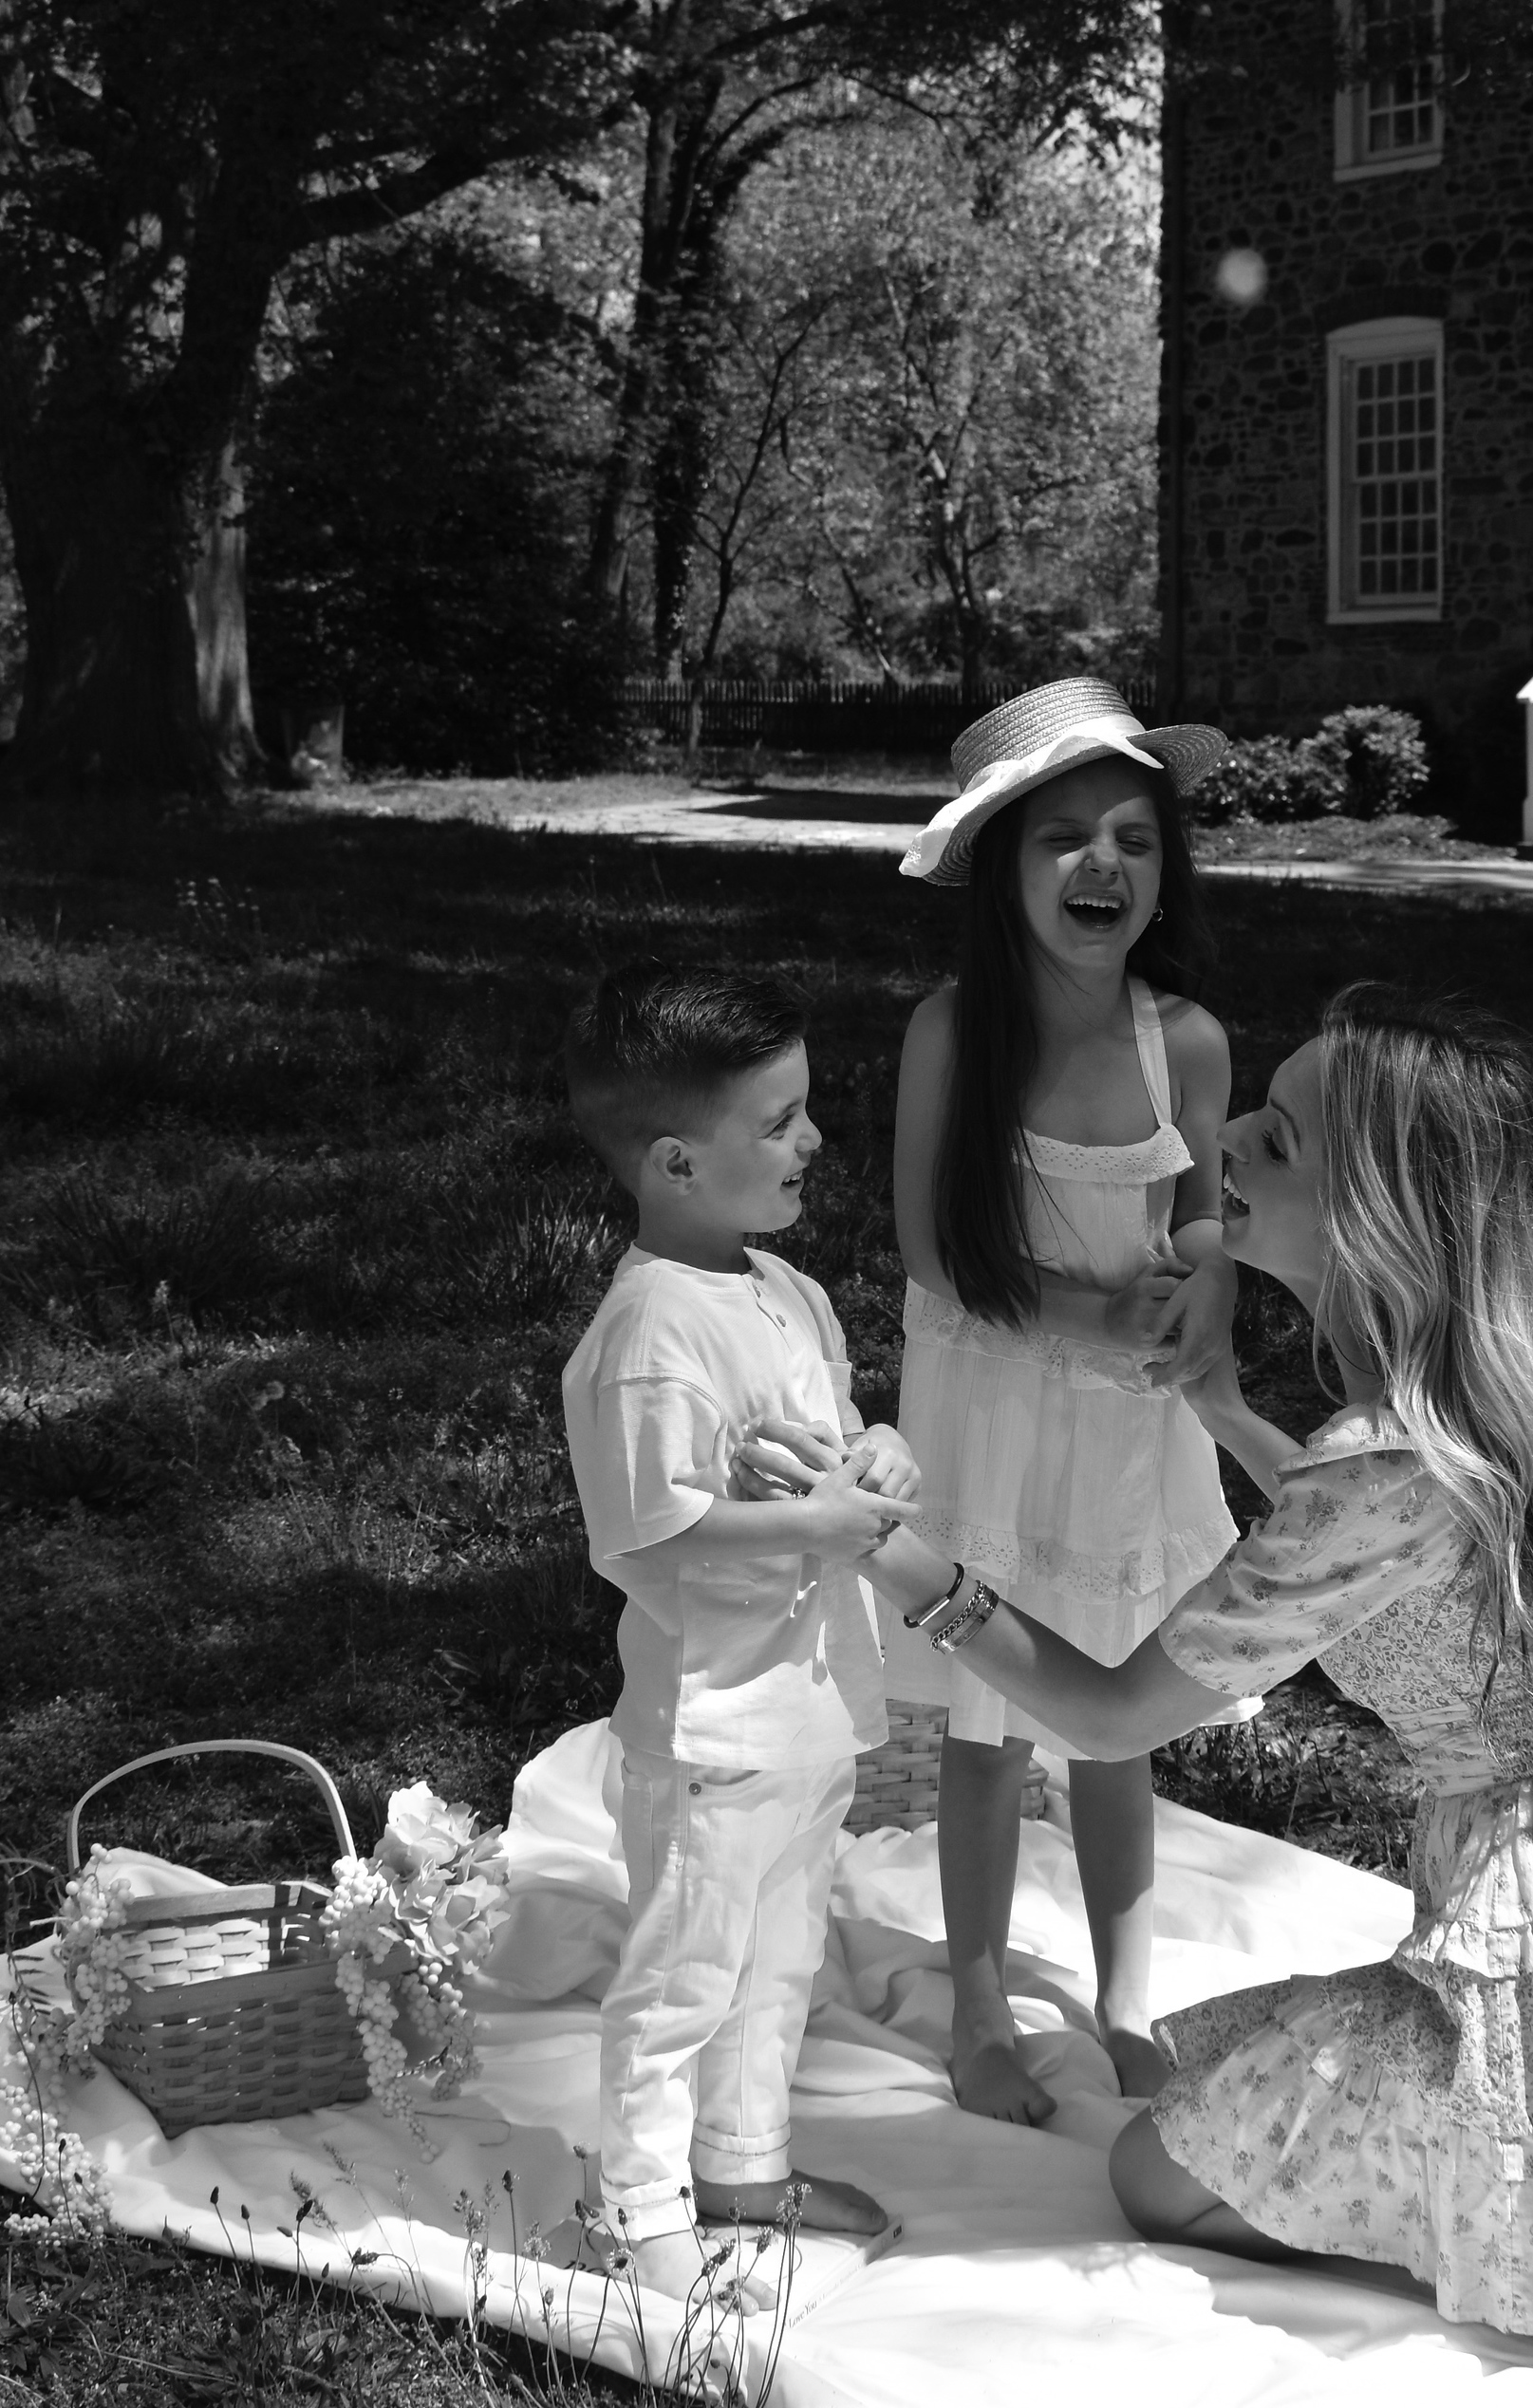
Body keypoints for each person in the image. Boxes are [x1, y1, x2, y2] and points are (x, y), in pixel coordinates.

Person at [814, 986, 1533, 2362]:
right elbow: (1387, 1544)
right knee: (1243, 2095)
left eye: (1278, 1139)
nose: (1229, 1135)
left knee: (1155, 2176)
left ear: (1374, 1218)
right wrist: (1227, 1412)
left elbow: (1106, 1714)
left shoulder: (1382, 1468)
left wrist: (896, 1555)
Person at [886, 677, 1243, 2123]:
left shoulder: (1186, 1040)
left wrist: (1207, 1283)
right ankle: (979, 2009)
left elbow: (1204, 1213)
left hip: (1127, 1422)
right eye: (1064, 839)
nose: (1105, 865)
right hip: (994, 1405)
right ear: (1003, 868)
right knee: (989, 1722)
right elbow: (934, 1251)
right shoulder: (954, 1031)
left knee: (1119, 1716)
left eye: (1135, 840)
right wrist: (1094, 1312)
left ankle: (1125, 1996)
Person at [554, 959, 913, 2304]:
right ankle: (643, 2212)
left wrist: (880, 1456)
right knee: (682, 1976)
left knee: (781, 1963)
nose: (813, 1138)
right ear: (674, 1163)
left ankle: (745, 2168)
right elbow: (645, 1532)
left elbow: (831, 1443)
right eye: (778, 1121)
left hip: (808, 1708)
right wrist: (813, 1528)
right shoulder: (653, 1333)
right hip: (713, 1722)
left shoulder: (784, 1290)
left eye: (804, 1108)